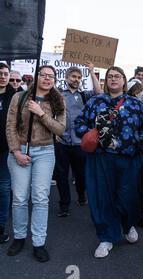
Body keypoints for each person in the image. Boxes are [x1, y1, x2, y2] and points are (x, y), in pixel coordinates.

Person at [75, 66, 143, 258]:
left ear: (125, 81)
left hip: (128, 159)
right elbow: (79, 124)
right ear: (105, 81)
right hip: (100, 159)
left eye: (117, 76)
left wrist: (136, 142)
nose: (113, 79)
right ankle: (106, 237)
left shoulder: (137, 104)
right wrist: (90, 135)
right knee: (102, 198)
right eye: (110, 77)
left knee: (128, 197)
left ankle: (127, 225)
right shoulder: (95, 102)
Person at [5, 65, 66, 262]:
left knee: (40, 198)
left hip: (46, 152)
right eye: (44, 75)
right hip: (20, 151)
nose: (48, 79)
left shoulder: (58, 100)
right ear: (36, 77)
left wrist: (41, 113)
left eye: (52, 76)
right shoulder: (19, 97)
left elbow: (60, 129)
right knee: (20, 198)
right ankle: (19, 237)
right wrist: (16, 151)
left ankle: (39, 242)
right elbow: (10, 126)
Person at [55, 62, 102, 217]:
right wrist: (54, 131)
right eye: (73, 76)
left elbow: (99, 92)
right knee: (62, 176)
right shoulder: (58, 94)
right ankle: (64, 205)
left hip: (80, 143)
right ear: (66, 77)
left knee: (80, 175)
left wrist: (91, 72)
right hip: (62, 141)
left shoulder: (84, 95)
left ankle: (81, 195)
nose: (76, 79)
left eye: (79, 77)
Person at [126, 78, 143, 228]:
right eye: (139, 91)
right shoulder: (125, 107)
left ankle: (140, 214)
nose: (142, 94)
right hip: (131, 152)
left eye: (142, 90)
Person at [0, 62, 17, 243]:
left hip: (6, 149)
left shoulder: (14, 96)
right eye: (1, 74)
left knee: (4, 188)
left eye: (6, 74)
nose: (3, 77)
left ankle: (1, 226)